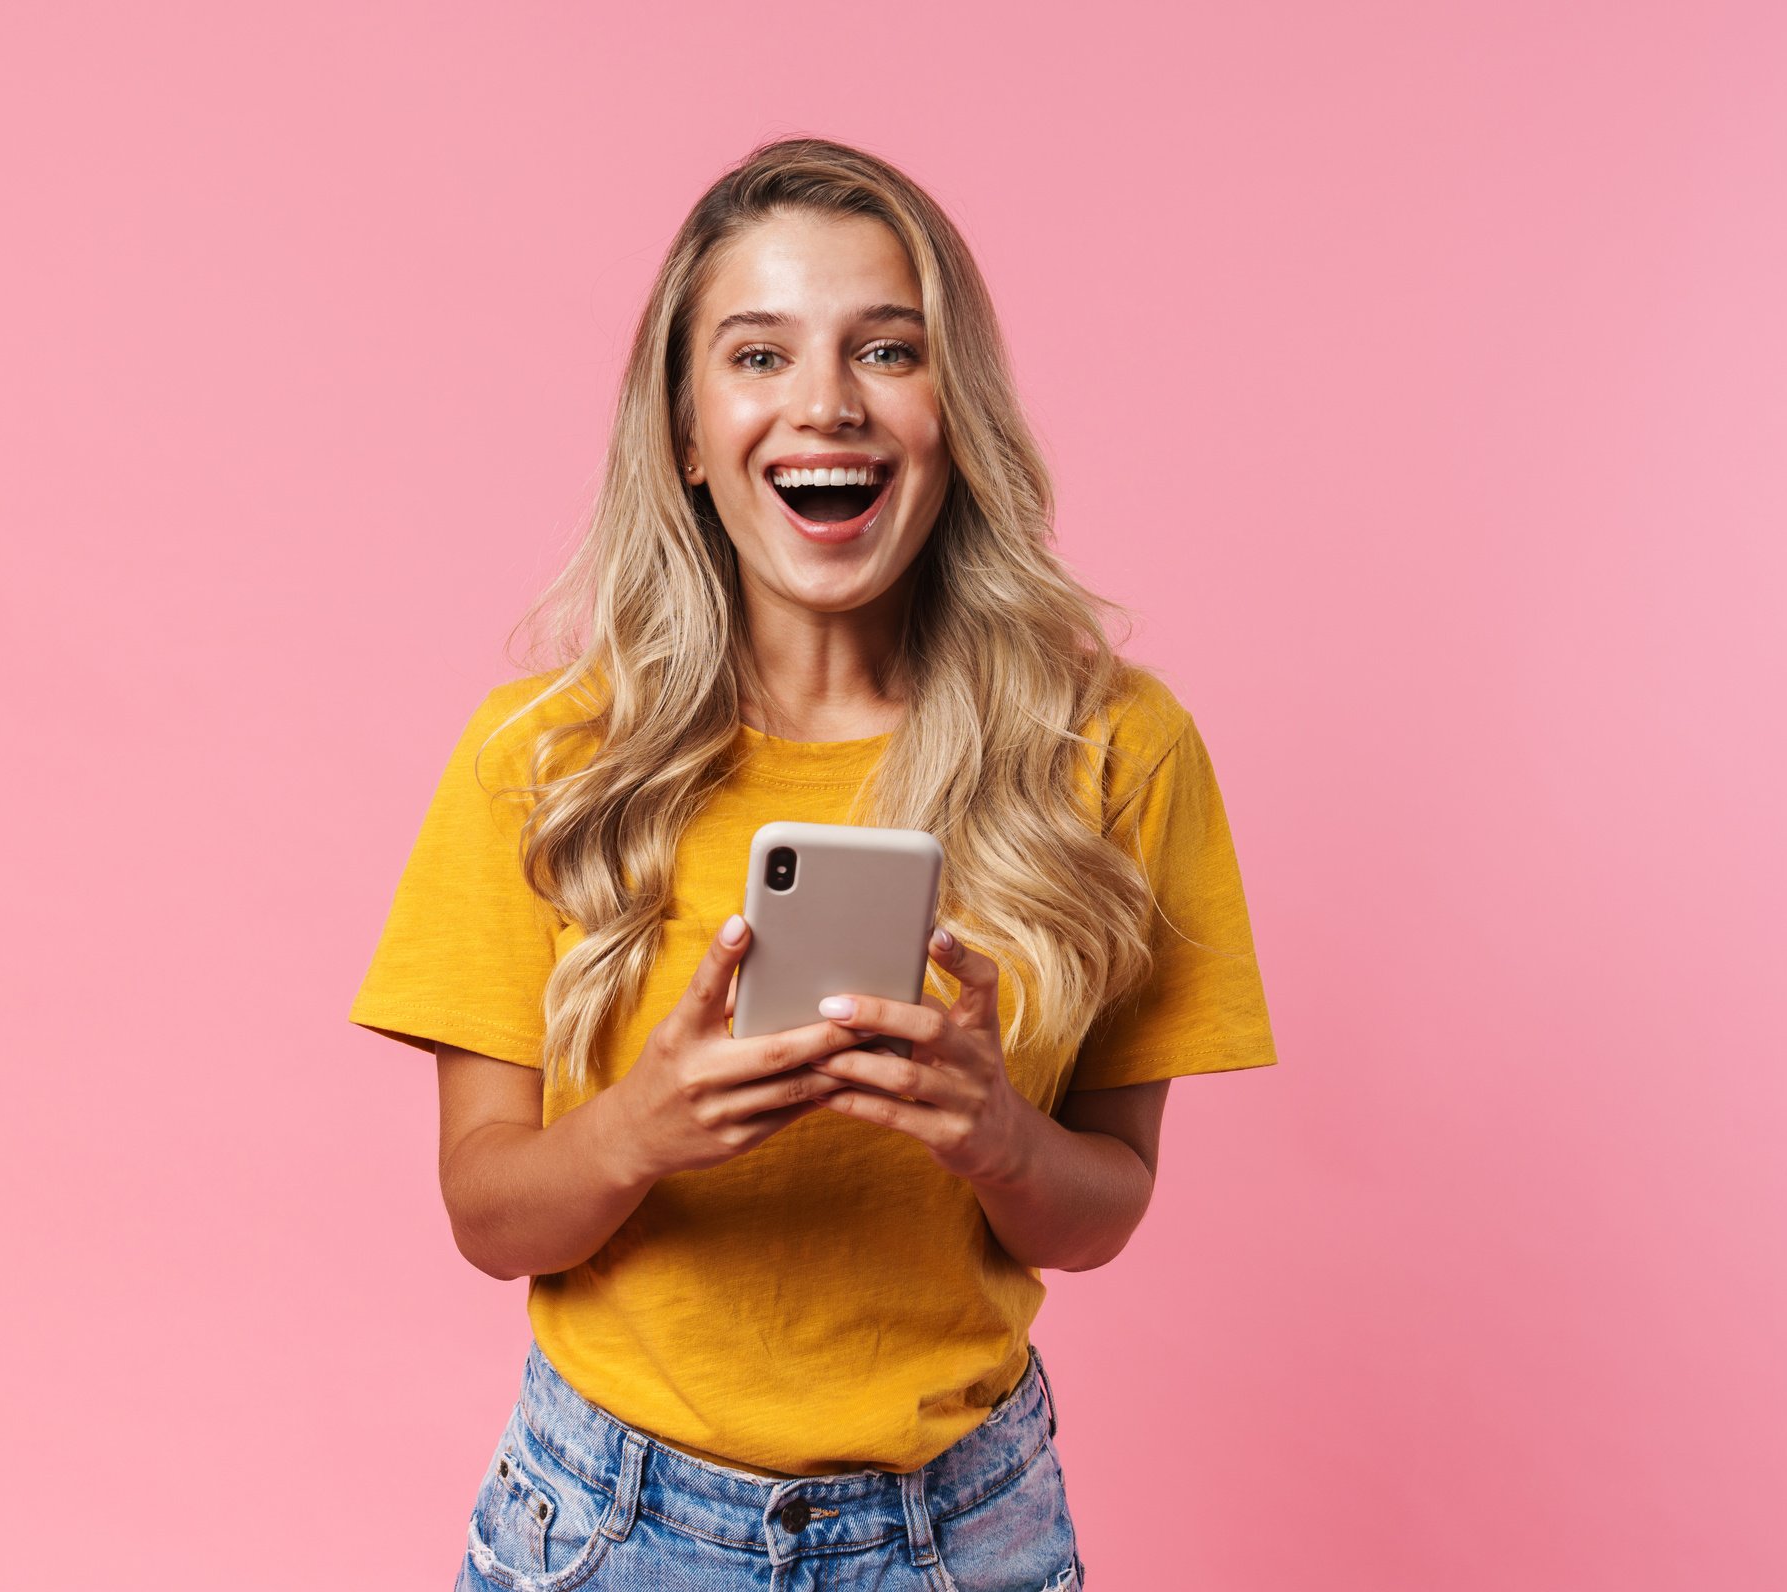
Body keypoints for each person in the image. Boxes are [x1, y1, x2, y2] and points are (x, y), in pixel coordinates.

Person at [349, 136, 1279, 1591]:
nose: (824, 402)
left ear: (953, 414)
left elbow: (1105, 1209)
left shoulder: (1112, 750)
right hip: (604, 1529)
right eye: (759, 353)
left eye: (887, 350)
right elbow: (486, 1215)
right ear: (683, 427)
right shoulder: (540, 757)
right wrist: (641, 1127)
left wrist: (995, 1135)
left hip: (965, 1532)